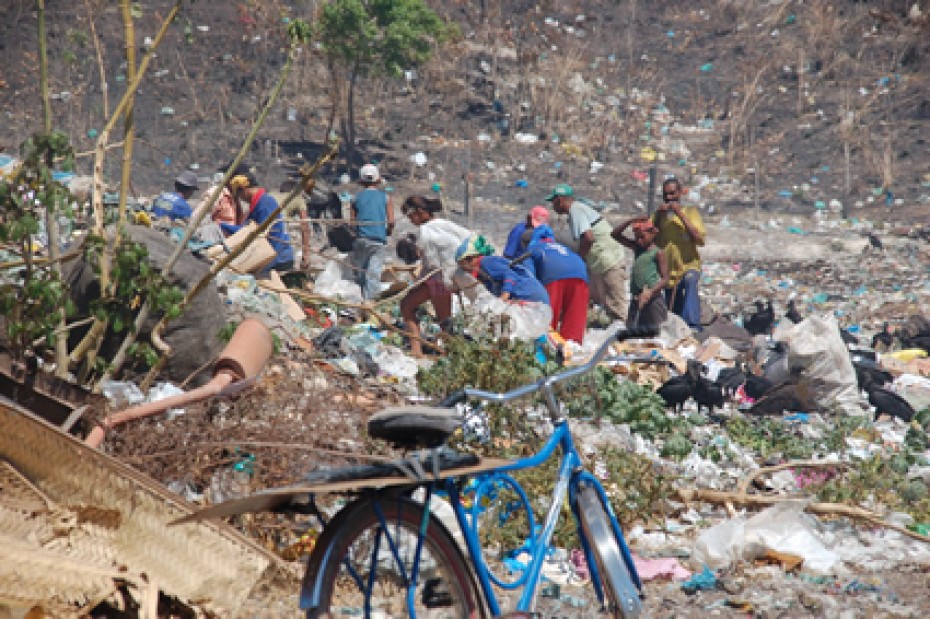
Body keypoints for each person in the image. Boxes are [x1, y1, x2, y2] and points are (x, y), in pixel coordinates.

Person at [399, 195, 472, 357]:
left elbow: (431, 264)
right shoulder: (446, 224)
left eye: (411, 216)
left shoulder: (425, 232)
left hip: (439, 281)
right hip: (451, 277)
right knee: (408, 306)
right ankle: (419, 350)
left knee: (442, 320)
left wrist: (418, 282)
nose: (411, 220)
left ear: (421, 212)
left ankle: (449, 353)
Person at [547, 183, 627, 321]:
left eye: (553, 202)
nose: (552, 207)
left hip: (609, 261)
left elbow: (589, 238)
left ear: (559, 200)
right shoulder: (576, 211)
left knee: (616, 306)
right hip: (601, 262)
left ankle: (625, 338)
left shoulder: (575, 210)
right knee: (605, 304)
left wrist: (578, 258)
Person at [520, 224, 589, 344]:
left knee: (547, 315)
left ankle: (547, 345)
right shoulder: (561, 246)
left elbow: (529, 277)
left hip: (553, 276)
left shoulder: (532, 249)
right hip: (581, 274)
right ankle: (572, 347)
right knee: (575, 317)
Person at [652, 177, 705, 329]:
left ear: (680, 193)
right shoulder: (659, 216)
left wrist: (680, 214)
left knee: (690, 281)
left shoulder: (690, 212)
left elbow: (699, 238)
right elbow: (649, 236)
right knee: (673, 308)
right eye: (666, 194)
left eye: (672, 194)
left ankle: (693, 324)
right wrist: (658, 217)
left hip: (688, 264)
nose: (669, 198)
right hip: (669, 270)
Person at [223, 170, 295, 272]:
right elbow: (248, 229)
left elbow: (258, 232)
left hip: (278, 257)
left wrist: (223, 226)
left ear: (244, 190)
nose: (241, 199)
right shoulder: (258, 203)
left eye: (240, 195)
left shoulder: (265, 203)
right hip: (270, 255)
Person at [455, 235, 549, 304]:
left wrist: (505, 294)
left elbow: (510, 274)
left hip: (528, 295)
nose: (465, 268)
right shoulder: (483, 274)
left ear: (473, 257)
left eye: (465, 263)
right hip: (529, 296)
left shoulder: (486, 262)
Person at [611, 216, 669, 327]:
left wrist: (650, 292)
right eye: (637, 237)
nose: (639, 240)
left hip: (653, 301)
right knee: (633, 331)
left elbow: (665, 279)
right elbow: (615, 234)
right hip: (636, 298)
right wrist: (629, 221)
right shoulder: (637, 248)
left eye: (642, 237)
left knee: (658, 331)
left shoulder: (658, 253)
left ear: (653, 234)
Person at [349, 164, 394, 300]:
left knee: (361, 274)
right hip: (378, 241)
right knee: (373, 275)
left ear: (361, 181)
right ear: (378, 180)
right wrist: (387, 231)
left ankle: (359, 303)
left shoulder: (355, 199)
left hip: (361, 240)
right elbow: (391, 222)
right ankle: (372, 305)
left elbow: (352, 224)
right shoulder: (386, 198)